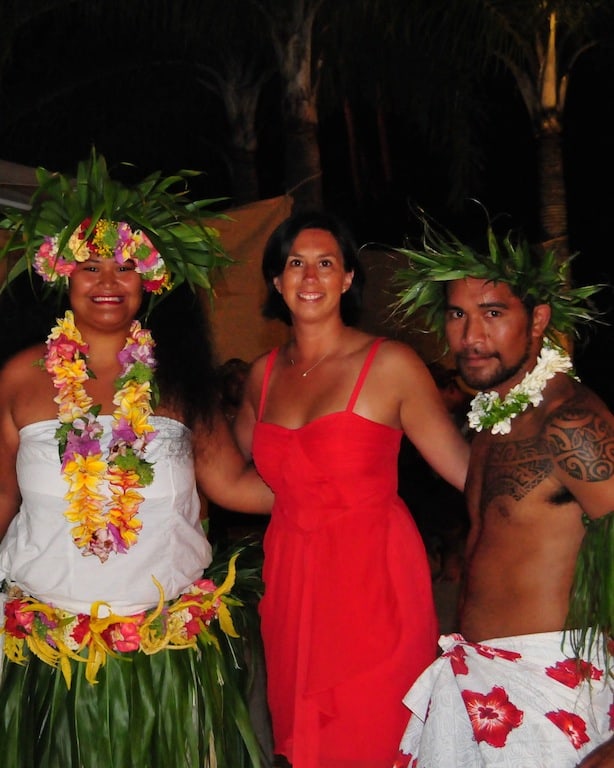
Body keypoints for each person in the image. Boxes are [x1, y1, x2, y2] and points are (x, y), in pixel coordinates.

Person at [0, 152, 274, 768]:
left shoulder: (180, 382)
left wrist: (339, 485)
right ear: (63, 276)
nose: (107, 281)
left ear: (149, 282)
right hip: (50, 655)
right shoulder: (19, 377)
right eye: (90, 265)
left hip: (165, 654)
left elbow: (234, 484)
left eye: (125, 266)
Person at [232, 209, 470, 768]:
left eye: (325, 263)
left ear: (347, 279)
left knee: (374, 738)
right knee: (306, 745)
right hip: (293, 586)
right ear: (276, 281)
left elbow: (465, 470)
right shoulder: (262, 375)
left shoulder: (390, 363)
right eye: (296, 263)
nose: (310, 277)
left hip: (375, 585)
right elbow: (239, 477)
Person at [392, 219, 614, 767]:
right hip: (479, 684)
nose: (471, 337)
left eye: (493, 313)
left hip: (553, 692)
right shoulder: (495, 418)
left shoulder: (571, 423)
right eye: (457, 315)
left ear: (537, 319)